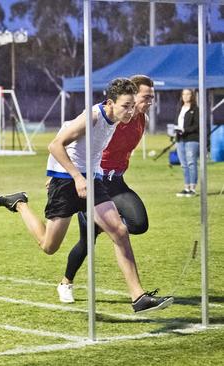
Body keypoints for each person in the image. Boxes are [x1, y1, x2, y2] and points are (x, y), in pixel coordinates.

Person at [0, 77, 173, 314]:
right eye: (126, 105)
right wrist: (77, 177)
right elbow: (55, 145)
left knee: (119, 231)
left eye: (132, 105)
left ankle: (138, 297)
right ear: (110, 102)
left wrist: (92, 176)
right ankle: (19, 203)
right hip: (67, 181)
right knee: (49, 246)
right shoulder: (94, 116)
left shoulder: (118, 120)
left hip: (93, 181)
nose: (131, 111)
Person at [56, 75, 155, 304]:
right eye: (145, 97)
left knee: (139, 224)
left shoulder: (142, 120)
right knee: (85, 242)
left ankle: (110, 226)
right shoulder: (107, 116)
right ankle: (65, 282)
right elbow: (67, 138)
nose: (149, 101)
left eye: (152, 97)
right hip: (95, 182)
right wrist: (61, 175)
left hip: (117, 183)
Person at [174, 89, 200, 197]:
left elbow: (197, 125)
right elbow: (177, 122)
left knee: (191, 163)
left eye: (188, 94)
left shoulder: (195, 109)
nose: (185, 96)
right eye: (184, 94)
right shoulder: (180, 108)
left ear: (192, 96)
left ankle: (193, 189)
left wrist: (185, 130)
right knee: (184, 165)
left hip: (191, 139)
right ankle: (186, 187)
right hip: (180, 139)